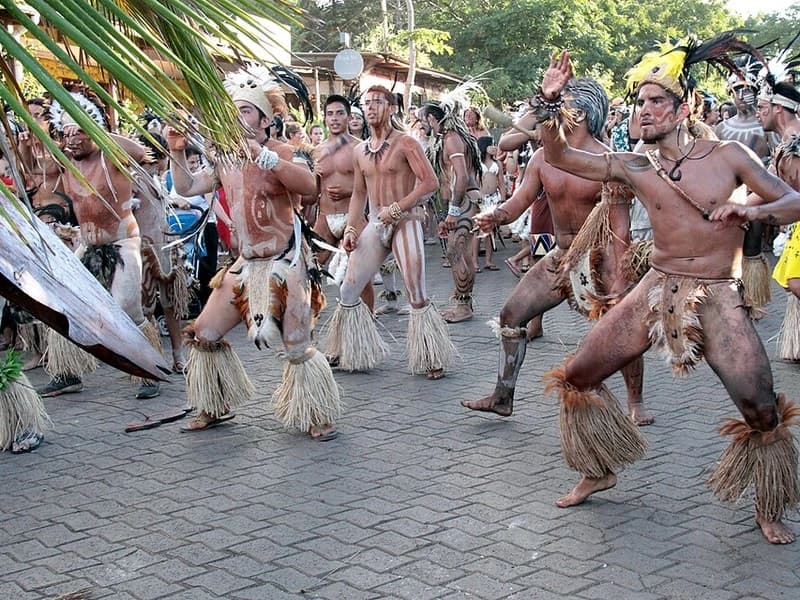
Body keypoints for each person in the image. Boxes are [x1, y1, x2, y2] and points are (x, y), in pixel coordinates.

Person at [536, 39, 800, 544]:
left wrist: (754, 212)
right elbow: (561, 155)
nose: (645, 110)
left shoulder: (731, 156)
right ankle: (600, 467)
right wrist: (551, 104)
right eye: (640, 102)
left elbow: (793, 200)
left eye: (657, 101)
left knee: (761, 407)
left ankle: (769, 505)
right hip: (657, 287)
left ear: (685, 108)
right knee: (579, 373)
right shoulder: (635, 165)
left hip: (718, 293)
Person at [462, 77, 649, 427]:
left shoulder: (606, 161)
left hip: (601, 258)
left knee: (620, 327)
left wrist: (620, 274)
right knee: (510, 316)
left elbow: (620, 226)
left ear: (579, 112)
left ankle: (635, 401)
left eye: (562, 103)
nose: (553, 110)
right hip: (560, 257)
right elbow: (518, 203)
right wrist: (494, 216)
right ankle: (503, 396)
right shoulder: (542, 158)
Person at [166, 67, 341, 440]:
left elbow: (309, 187)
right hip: (243, 266)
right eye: (234, 111)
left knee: (297, 349)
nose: (238, 118)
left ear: (265, 119)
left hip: (285, 263)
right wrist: (176, 149)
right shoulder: (225, 158)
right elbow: (186, 186)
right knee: (204, 334)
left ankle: (316, 413)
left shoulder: (282, 152)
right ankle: (213, 404)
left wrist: (266, 158)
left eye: (246, 111)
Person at [37, 90, 163, 400]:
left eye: (79, 130)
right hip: (88, 246)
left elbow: (138, 151)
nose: (73, 138)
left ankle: (150, 370)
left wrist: (94, 128)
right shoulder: (67, 163)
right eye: (67, 132)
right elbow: (36, 162)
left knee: (126, 310)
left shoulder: (111, 156)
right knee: (63, 303)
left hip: (122, 243)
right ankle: (67, 372)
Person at [324, 85, 455, 379]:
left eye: (377, 102)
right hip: (375, 222)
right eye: (366, 103)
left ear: (392, 107)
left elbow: (429, 183)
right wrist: (351, 228)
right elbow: (359, 193)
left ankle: (430, 356)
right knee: (348, 288)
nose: (370, 108)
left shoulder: (407, 143)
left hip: (405, 220)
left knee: (415, 292)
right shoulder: (360, 150)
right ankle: (349, 347)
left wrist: (397, 208)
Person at [716, 60, 775, 312]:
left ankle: (750, 299)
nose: (742, 96)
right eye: (737, 90)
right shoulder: (720, 128)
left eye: (747, 89)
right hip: (724, 197)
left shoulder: (766, 129)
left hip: (755, 195)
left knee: (750, 249)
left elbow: (776, 164)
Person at [418, 97, 482, 323]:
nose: (420, 125)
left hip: (464, 204)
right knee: (460, 253)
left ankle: (464, 305)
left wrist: (454, 210)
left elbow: (462, 176)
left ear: (432, 119)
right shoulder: (447, 138)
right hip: (461, 204)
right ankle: (463, 301)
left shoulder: (452, 139)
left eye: (422, 120)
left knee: (455, 251)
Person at [755, 51, 800, 360]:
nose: (758, 113)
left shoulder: (796, 144)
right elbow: (764, 188)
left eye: (762, 107)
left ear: (777, 108)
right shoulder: (785, 145)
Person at [312, 94, 373, 308]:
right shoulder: (317, 151)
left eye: (339, 113)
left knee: (361, 273)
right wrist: (313, 177)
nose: (334, 118)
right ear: (325, 118)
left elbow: (373, 186)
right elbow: (311, 195)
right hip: (325, 217)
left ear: (348, 117)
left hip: (353, 216)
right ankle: (307, 320)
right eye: (330, 114)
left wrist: (348, 190)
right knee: (310, 268)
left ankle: (368, 321)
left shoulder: (362, 147)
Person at [473, 136, 506, 272]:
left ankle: (488, 260)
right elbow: (474, 181)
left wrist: (503, 199)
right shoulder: (477, 164)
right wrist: (475, 197)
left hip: (493, 199)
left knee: (490, 230)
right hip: (481, 198)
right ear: (484, 147)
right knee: (477, 230)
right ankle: (474, 262)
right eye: (492, 145)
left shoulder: (497, 164)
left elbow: (501, 183)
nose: (495, 147)